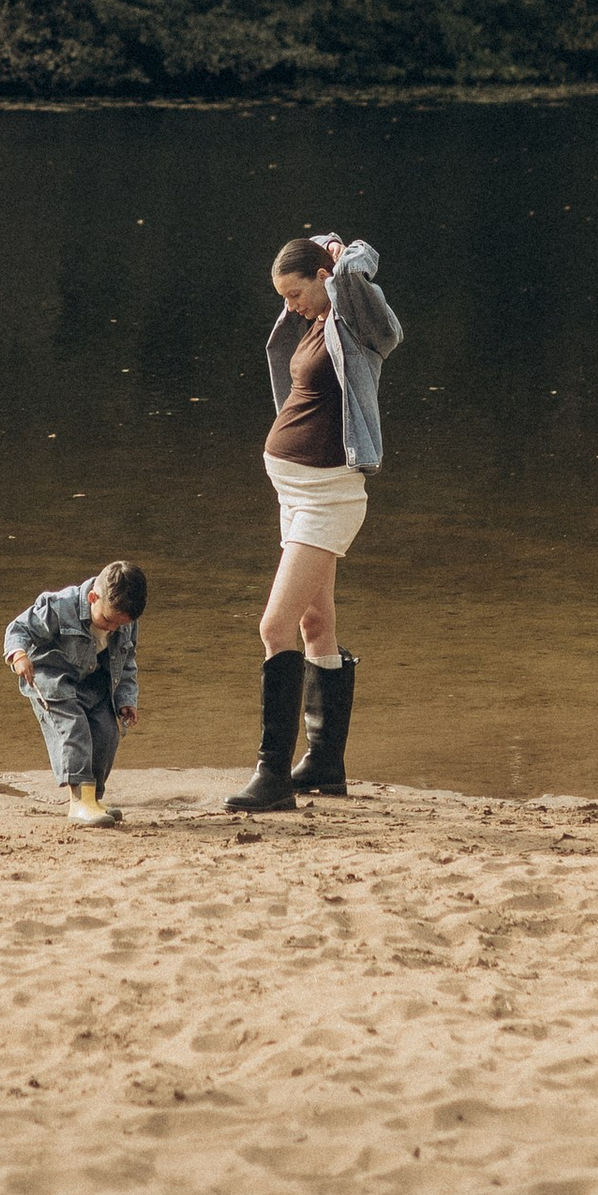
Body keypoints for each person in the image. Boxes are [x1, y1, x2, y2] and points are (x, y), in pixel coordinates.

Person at [228, 231, 400, 814]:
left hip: (329, 495)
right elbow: (305, 299)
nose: (291, 305)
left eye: (296, 293)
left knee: (272, 627)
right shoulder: (312, 320)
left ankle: (271, 775)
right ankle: (325, 763)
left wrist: (343, 262)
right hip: (295, 490)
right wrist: (314, 270)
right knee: (313, 625)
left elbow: (386, 326)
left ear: (327, 279)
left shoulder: (357, 320)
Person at [7, 560, 147, 828]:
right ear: (93, 597)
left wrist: (127, 699)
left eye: (121, 624)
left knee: (107, 734)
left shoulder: (123, 621)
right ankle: (78, 802)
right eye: (107, 620)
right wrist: (19, 655)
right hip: (52, 679)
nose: (112, 629)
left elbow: (126, 660)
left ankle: (93, 799)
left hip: (93, 681)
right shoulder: (60, 606)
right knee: (75, 730)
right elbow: (18, 629)